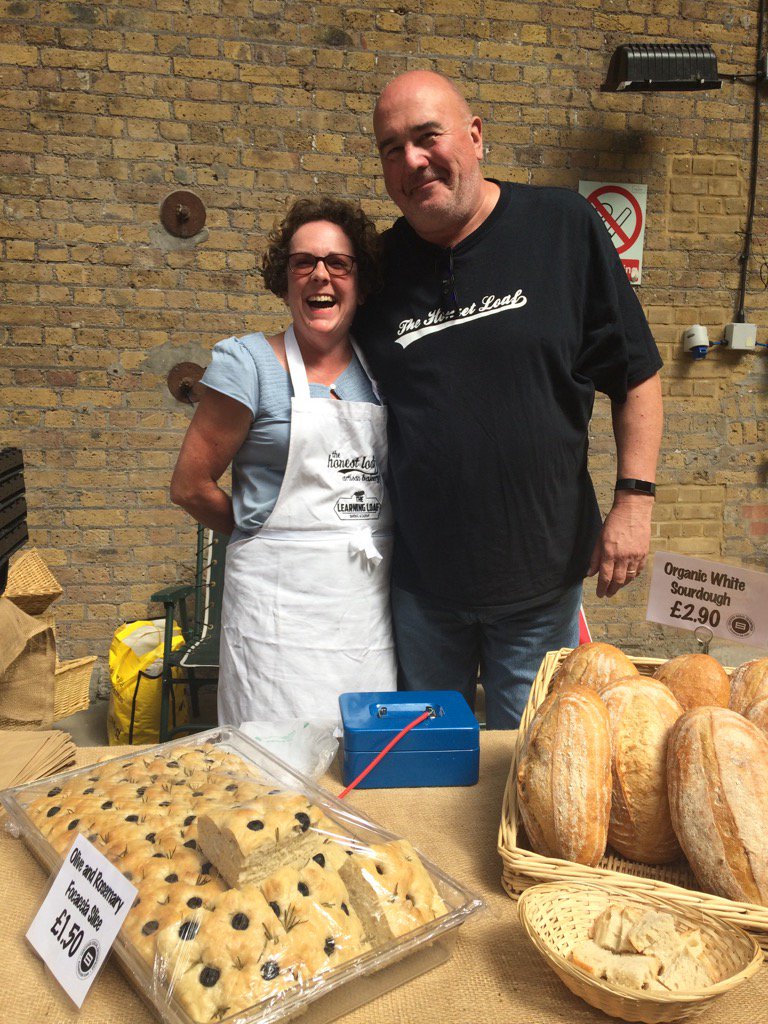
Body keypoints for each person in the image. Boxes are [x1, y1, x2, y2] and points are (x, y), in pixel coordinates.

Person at [353, 70, 664, 729]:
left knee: (530, 769)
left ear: (474, 136)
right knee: (425, 767)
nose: (411, 159)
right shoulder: (378, 269)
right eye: (390, 147)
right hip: (422, 588)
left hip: (539, 582)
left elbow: (635, 374)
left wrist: (634, 502)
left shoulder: (563, 228)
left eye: (426, 136)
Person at [170, 197, 397, 726]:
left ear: (359, 283)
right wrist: (266, 535)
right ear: (286, 278)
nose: (321, 275)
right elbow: (189, 486)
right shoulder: (246, 363)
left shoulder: (384, 368)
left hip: (363, 609)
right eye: (304, 262)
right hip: (277, 616)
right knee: (273, 765)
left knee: (362, 756)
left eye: (337, 263)